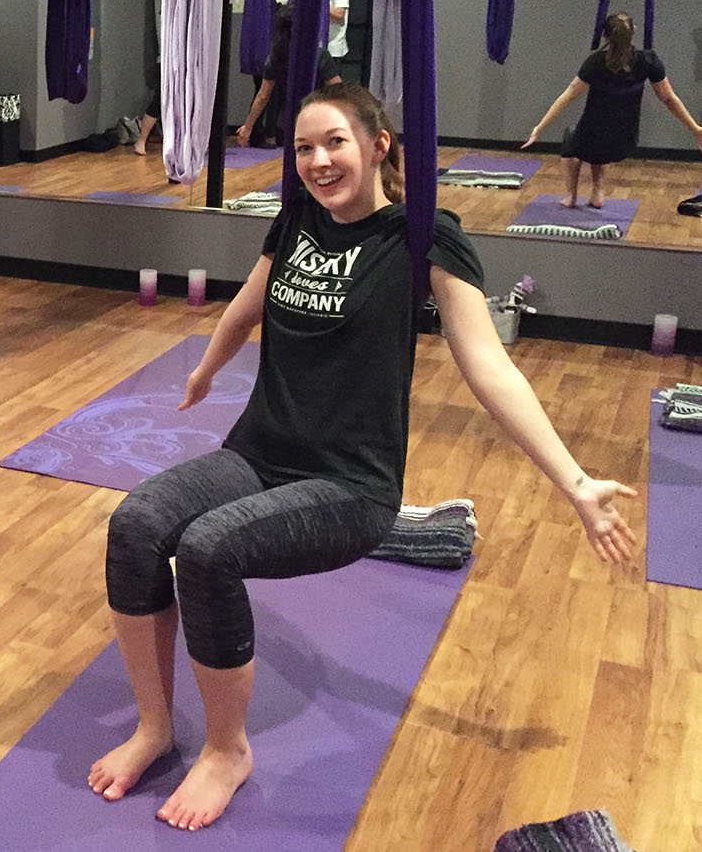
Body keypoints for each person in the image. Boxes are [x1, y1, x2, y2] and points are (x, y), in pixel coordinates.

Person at [89, 82, 636, 831]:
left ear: (378, 146)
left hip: (350, 484)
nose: (317, 160)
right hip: (261, 452)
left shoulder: (422, 237)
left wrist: (574, 483)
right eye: (304, 147)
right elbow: (249, 303)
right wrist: (207, 367)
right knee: (138, 522)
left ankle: (226, 750)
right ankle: (154, 727)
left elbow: (489, 366)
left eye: (334, 143)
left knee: (209, 549)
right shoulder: (298, 221)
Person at [522, 11, 702, 208]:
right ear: (633, 32)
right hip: (624, 141)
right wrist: (695, 129)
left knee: (571, 137)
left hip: (591, 138)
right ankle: (598, 193)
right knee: (600, 143)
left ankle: (571, 196)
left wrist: (539, 129)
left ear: (606, 37)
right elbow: (669, 98)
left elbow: (568, 95)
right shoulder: (647, 61)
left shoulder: (596, 62)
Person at [235, 3, 342, 148]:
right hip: (318, 117)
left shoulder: (275, 57)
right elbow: (339, 89)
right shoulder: (319, 55)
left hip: (289, 120)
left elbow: (263, 96)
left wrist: (248, 127)